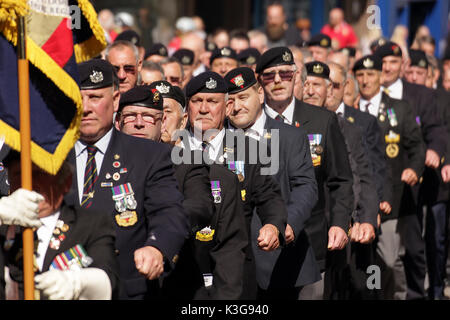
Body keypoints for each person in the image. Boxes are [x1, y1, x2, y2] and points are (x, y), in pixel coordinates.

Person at [65, 58, 189, 300]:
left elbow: (169, 211)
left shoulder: (148, 155)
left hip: (124, 289)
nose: (86, 107)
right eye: (80, 98)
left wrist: (156, 247)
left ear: (115, 101)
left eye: (95, 98)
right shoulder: (50, 155)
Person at [255, 47, 354, 299]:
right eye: (269, 76)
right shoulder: (249, 123)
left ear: (296, 76)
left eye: (285, 74)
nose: (278, 81)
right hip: (260, 244)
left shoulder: (322, 120)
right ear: (259, 83)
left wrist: (341, 223)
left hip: (311, 241)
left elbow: (340, 179)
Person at [183, 71, 288, 299]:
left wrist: (272, 225)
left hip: (234, 271)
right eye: (196, 101)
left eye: (212, 101)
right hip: (185, 267)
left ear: (228, 106)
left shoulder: (249, 149)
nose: (203, 109)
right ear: (187, 106)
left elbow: (270, 196)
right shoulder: (172, 151)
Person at [224, 67, 321, 299]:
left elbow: (305, 186)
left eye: (243, 97)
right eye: (230, 100)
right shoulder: (216, 141)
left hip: (281, 258)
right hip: (231, 266)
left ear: (259, 94)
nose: (237, 107)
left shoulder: (290, 136)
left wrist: (287, 223)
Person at [376, 41, 447, 299]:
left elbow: (436, 130)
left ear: (403, 65)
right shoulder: (366, 94)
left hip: (410, 185)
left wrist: (434, 152)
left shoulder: (420, 95)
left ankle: (417, 294)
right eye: (382, 62)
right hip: (376, 184)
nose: (387, 67)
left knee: (413, 250)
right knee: (380, 253)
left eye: (393, 62)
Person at [353, 54, 426, 300]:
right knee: (363, 260)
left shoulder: (399, 108)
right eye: (360, 75)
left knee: (389, 258)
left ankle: (395, 295)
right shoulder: (348, 109)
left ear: (381, 77)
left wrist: (414, 169)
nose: (365, 80)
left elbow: (416, 146)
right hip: (359, 200)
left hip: (390, 199)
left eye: (371, 74)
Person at [1, 152, 120, 300]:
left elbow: (109, 280)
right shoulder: (3, 224)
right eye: (19, 173)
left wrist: (79, 282)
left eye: (40, 174)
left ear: (65, 181)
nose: (28, 182)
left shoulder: (90, 224)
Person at [325, 61, 381, 299]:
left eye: (334, 86)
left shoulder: (355, 125)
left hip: (354, 221)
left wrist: (367, 215)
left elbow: (368, 172)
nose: (328, 92)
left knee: (365, 283)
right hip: (323, 223)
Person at [404, 50, 450, 300]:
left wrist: (444, 158)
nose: (413, 76)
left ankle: (435, 289)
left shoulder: (440, 98)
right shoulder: (402, 97)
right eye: (409, 71)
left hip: (436, 179)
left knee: (436, 238)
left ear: (429, 74)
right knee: (413, 239)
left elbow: (443, 132)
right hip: (410, 179)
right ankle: (416, 289)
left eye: (419, 73)